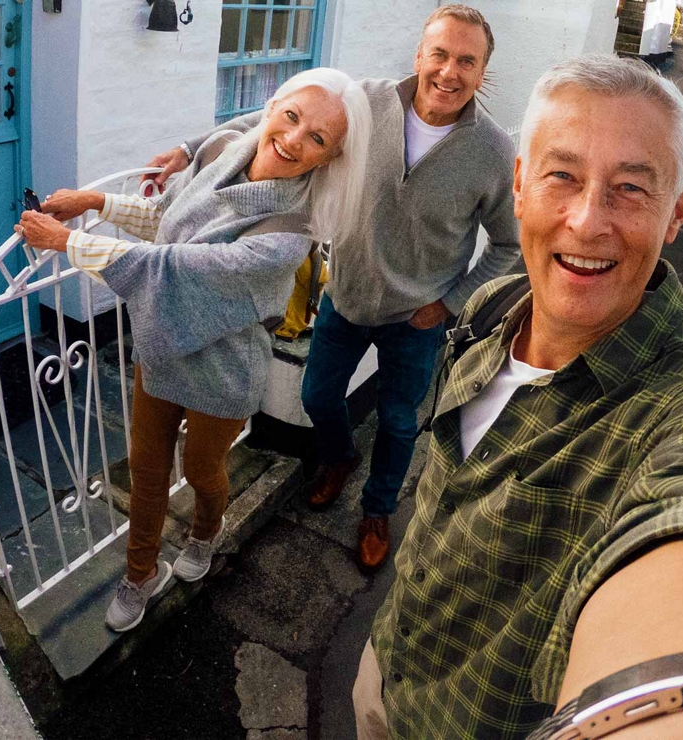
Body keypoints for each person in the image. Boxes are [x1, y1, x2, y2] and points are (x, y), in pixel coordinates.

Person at [353, 56, 683, 739]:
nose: (586, 219)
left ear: (677, 213)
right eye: (562, 176)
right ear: (518, 186)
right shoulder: (493, 307)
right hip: (385, 669)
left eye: (631, 189)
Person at [146, 5, 520, 573]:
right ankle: (340, 458)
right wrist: (190, 148)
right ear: (419, 55)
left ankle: (376, 510)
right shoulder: (366, 102)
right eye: (439, 54)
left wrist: (446, 304)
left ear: (483, 73)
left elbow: (508, 245)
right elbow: (273, 118)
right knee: (320, 398)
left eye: (467, 61)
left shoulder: (491, 151)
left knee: (399, 422)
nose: (449, 72)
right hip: (345, 297)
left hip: (416, 320)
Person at [15, 67, 372, 633]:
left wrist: (68, 242)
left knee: (204, 471)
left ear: (330, 159)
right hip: (161, 349)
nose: (295, 139)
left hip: (224, 373)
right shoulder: (227, 153)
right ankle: (140, 574)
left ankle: (207, 533)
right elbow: (169, 222)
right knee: (147, 470)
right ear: (273, 105)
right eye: (292, 116)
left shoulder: (289, 231)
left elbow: (178, 268)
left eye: (319, 139)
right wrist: (95, 201)